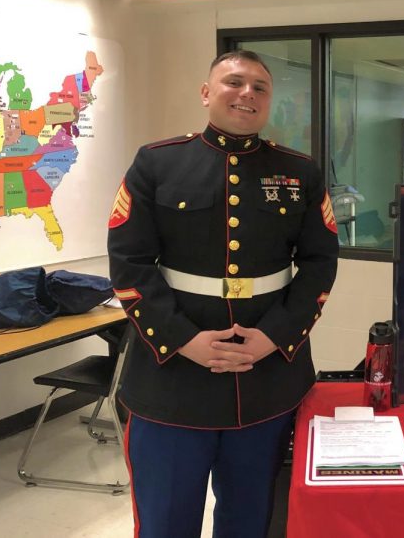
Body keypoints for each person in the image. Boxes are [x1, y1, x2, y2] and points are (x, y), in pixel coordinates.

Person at [107, 50, 339, 537]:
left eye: (260, 86)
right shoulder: (157, 163)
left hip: (267, 381)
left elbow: (319, 264)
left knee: (252, 521)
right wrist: (184, 340)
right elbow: (129, 264)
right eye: (234, 82)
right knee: (166, 523)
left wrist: (273, 337)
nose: (247, 93)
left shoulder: (299, 171)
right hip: (172, 381)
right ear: (207, 92)